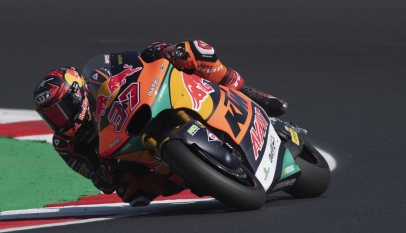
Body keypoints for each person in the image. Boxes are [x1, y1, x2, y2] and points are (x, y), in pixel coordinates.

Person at [33, 40, 288, 206]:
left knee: (190, 50)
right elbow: (93, 174)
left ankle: (249, 92)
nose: (60, 120)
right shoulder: (66, 144)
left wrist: (158, 52)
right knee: (131, 193)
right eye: (51, 116)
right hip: (129, 152)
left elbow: (133, 60)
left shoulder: (98, 76)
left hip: (144, 104)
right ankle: (192, 176)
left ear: (78, 92)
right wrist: (103, 175)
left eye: (61, 109)